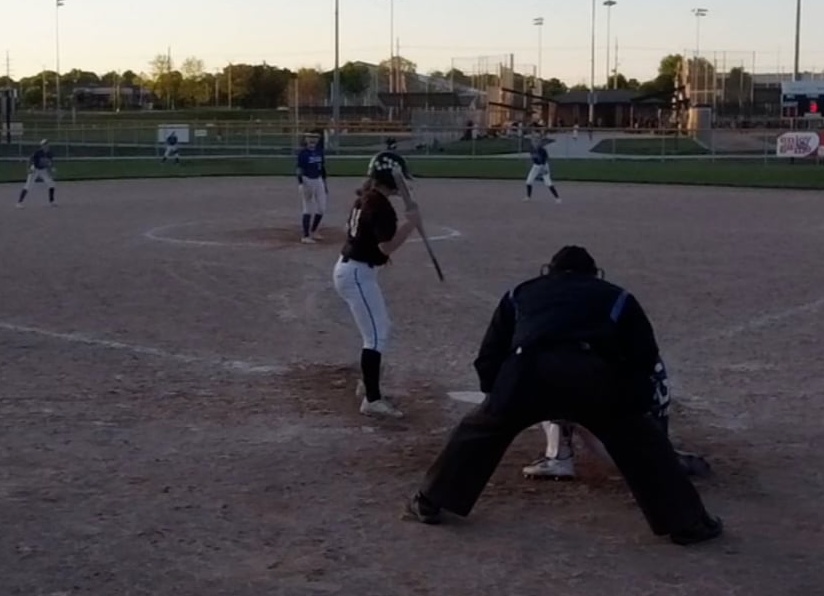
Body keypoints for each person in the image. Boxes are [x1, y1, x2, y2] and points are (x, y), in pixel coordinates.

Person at [405, 245, 723, 545]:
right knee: (644, 443)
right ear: (594, 273)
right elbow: (644, 358)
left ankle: (429, 501)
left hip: (526, 372)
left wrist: (496, 400)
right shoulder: (617, 296)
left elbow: (489, 354)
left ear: (549, 270)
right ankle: (687, 524)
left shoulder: (520, 293)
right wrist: (632, 409)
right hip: (591, 375)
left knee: (477, 433)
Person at [332, 166, 422, 420]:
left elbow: (363, 235)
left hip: (355, 270)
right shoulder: (380, 205)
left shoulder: (368, 197)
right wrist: (411, 224)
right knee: (376, 336)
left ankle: (367, 385)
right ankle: (371, 400)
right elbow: (386, 247)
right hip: (357, 274)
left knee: (379, 330)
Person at [296, 130, 329, 243]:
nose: (312, 140)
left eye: (315, 137)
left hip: (318, 180)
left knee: (322, 208)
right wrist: (301, 183)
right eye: (310, 137)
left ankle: (314, 230)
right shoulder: (303, 153)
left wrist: (325, 183)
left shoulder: (319, 152)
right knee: (308, 208)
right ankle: (305, 236)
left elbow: (322, 168)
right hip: (307, 179)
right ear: (306, 139)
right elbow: (299, 169)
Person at [18, 140, 57, 207]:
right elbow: (30, 159)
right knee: (28, 185)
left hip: (43, 170)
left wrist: (52, 168)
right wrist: (28, 168)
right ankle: (19, 203)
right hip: (35, 169)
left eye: (47, 144)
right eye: (44, 144)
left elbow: (50, 162)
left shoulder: (50, 153)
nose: (46, 146)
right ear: (41, 146)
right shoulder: (38, 152)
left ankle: (51, 202)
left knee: (51, 184)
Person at [523, 135, 560, 202]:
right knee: (529, 181)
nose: (535, 143)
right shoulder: (531, 149)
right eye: (533, 141)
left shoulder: (542, 150)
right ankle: (528, 197)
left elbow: (545, 160)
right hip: (536, 166)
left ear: (539, 143)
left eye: (536, 141)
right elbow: (534, 159)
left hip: (544, 166)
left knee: (548, 182)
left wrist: (543, 170)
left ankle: (557, 198)